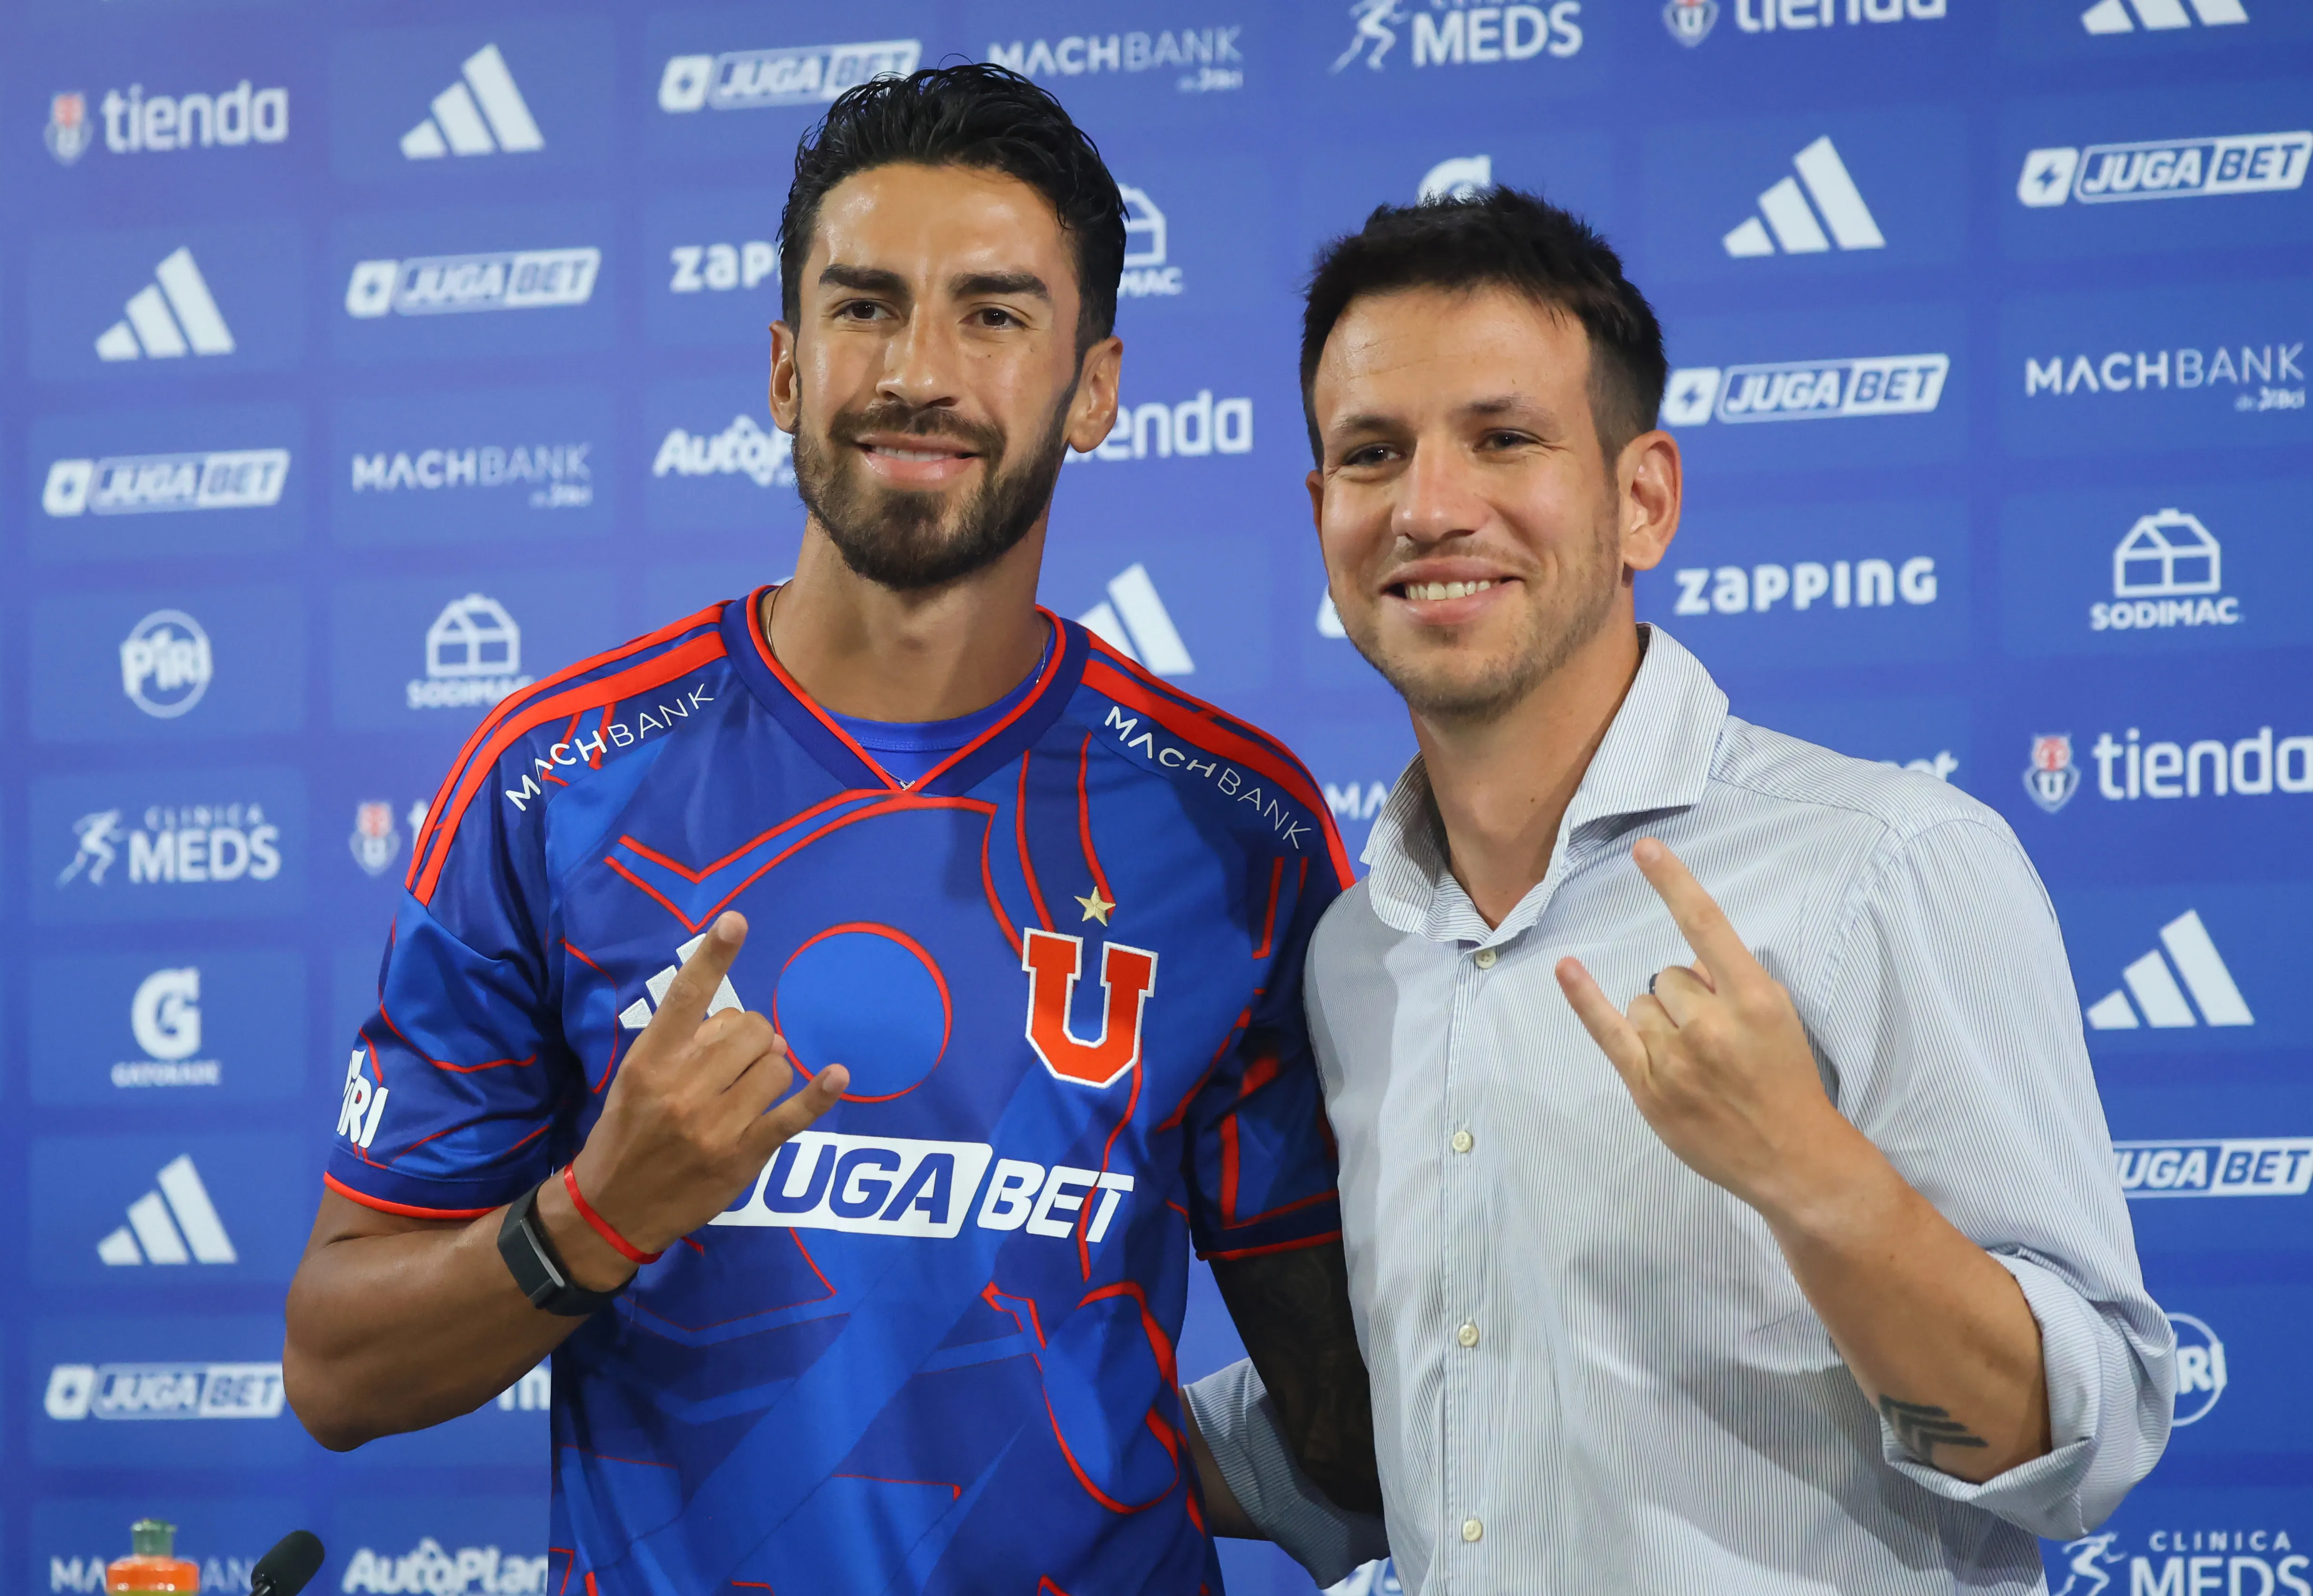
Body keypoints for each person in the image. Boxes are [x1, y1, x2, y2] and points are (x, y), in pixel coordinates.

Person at [282, 65, 1376, 1594]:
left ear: (1097, 387)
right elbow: (337, 1367)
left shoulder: (1234, 829)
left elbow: (1355, 1419)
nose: (918, 371)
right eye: (866, 306)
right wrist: (596, 1216)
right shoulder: (555, 782)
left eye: (993, 315)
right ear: (786, 367)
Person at [1184, 188, 2173, 1593]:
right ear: (1322, 512)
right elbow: (1426, 1411)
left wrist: (1814, 1176)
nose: (1429, 507)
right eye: (1373, 453)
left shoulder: (1883, 860)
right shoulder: (1358, 951)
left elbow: (2085, 1439)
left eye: (1504, 438)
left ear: (1642, 498)